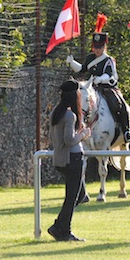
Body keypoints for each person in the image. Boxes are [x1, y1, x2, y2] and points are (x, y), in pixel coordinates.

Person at [66, 13, 130, 142]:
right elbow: (82, 69)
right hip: (92, 88)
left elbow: (111, 76)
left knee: (121, 105)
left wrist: (100, 79)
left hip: (107, 88)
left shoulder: (109, 60)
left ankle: (127, 130)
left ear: (105, 46)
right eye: (96, 47)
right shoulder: (90, 58)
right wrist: (72, 62)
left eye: (100, 47)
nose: (98, 50)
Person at [47, 80, 91, 242]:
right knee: (73, 197)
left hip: (61, 159)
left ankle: (59, 225)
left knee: (80, 195)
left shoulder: (56, 113)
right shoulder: (70, 115)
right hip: (72, 158)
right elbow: (69, 140)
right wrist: (83, 134)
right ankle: (63, 230)